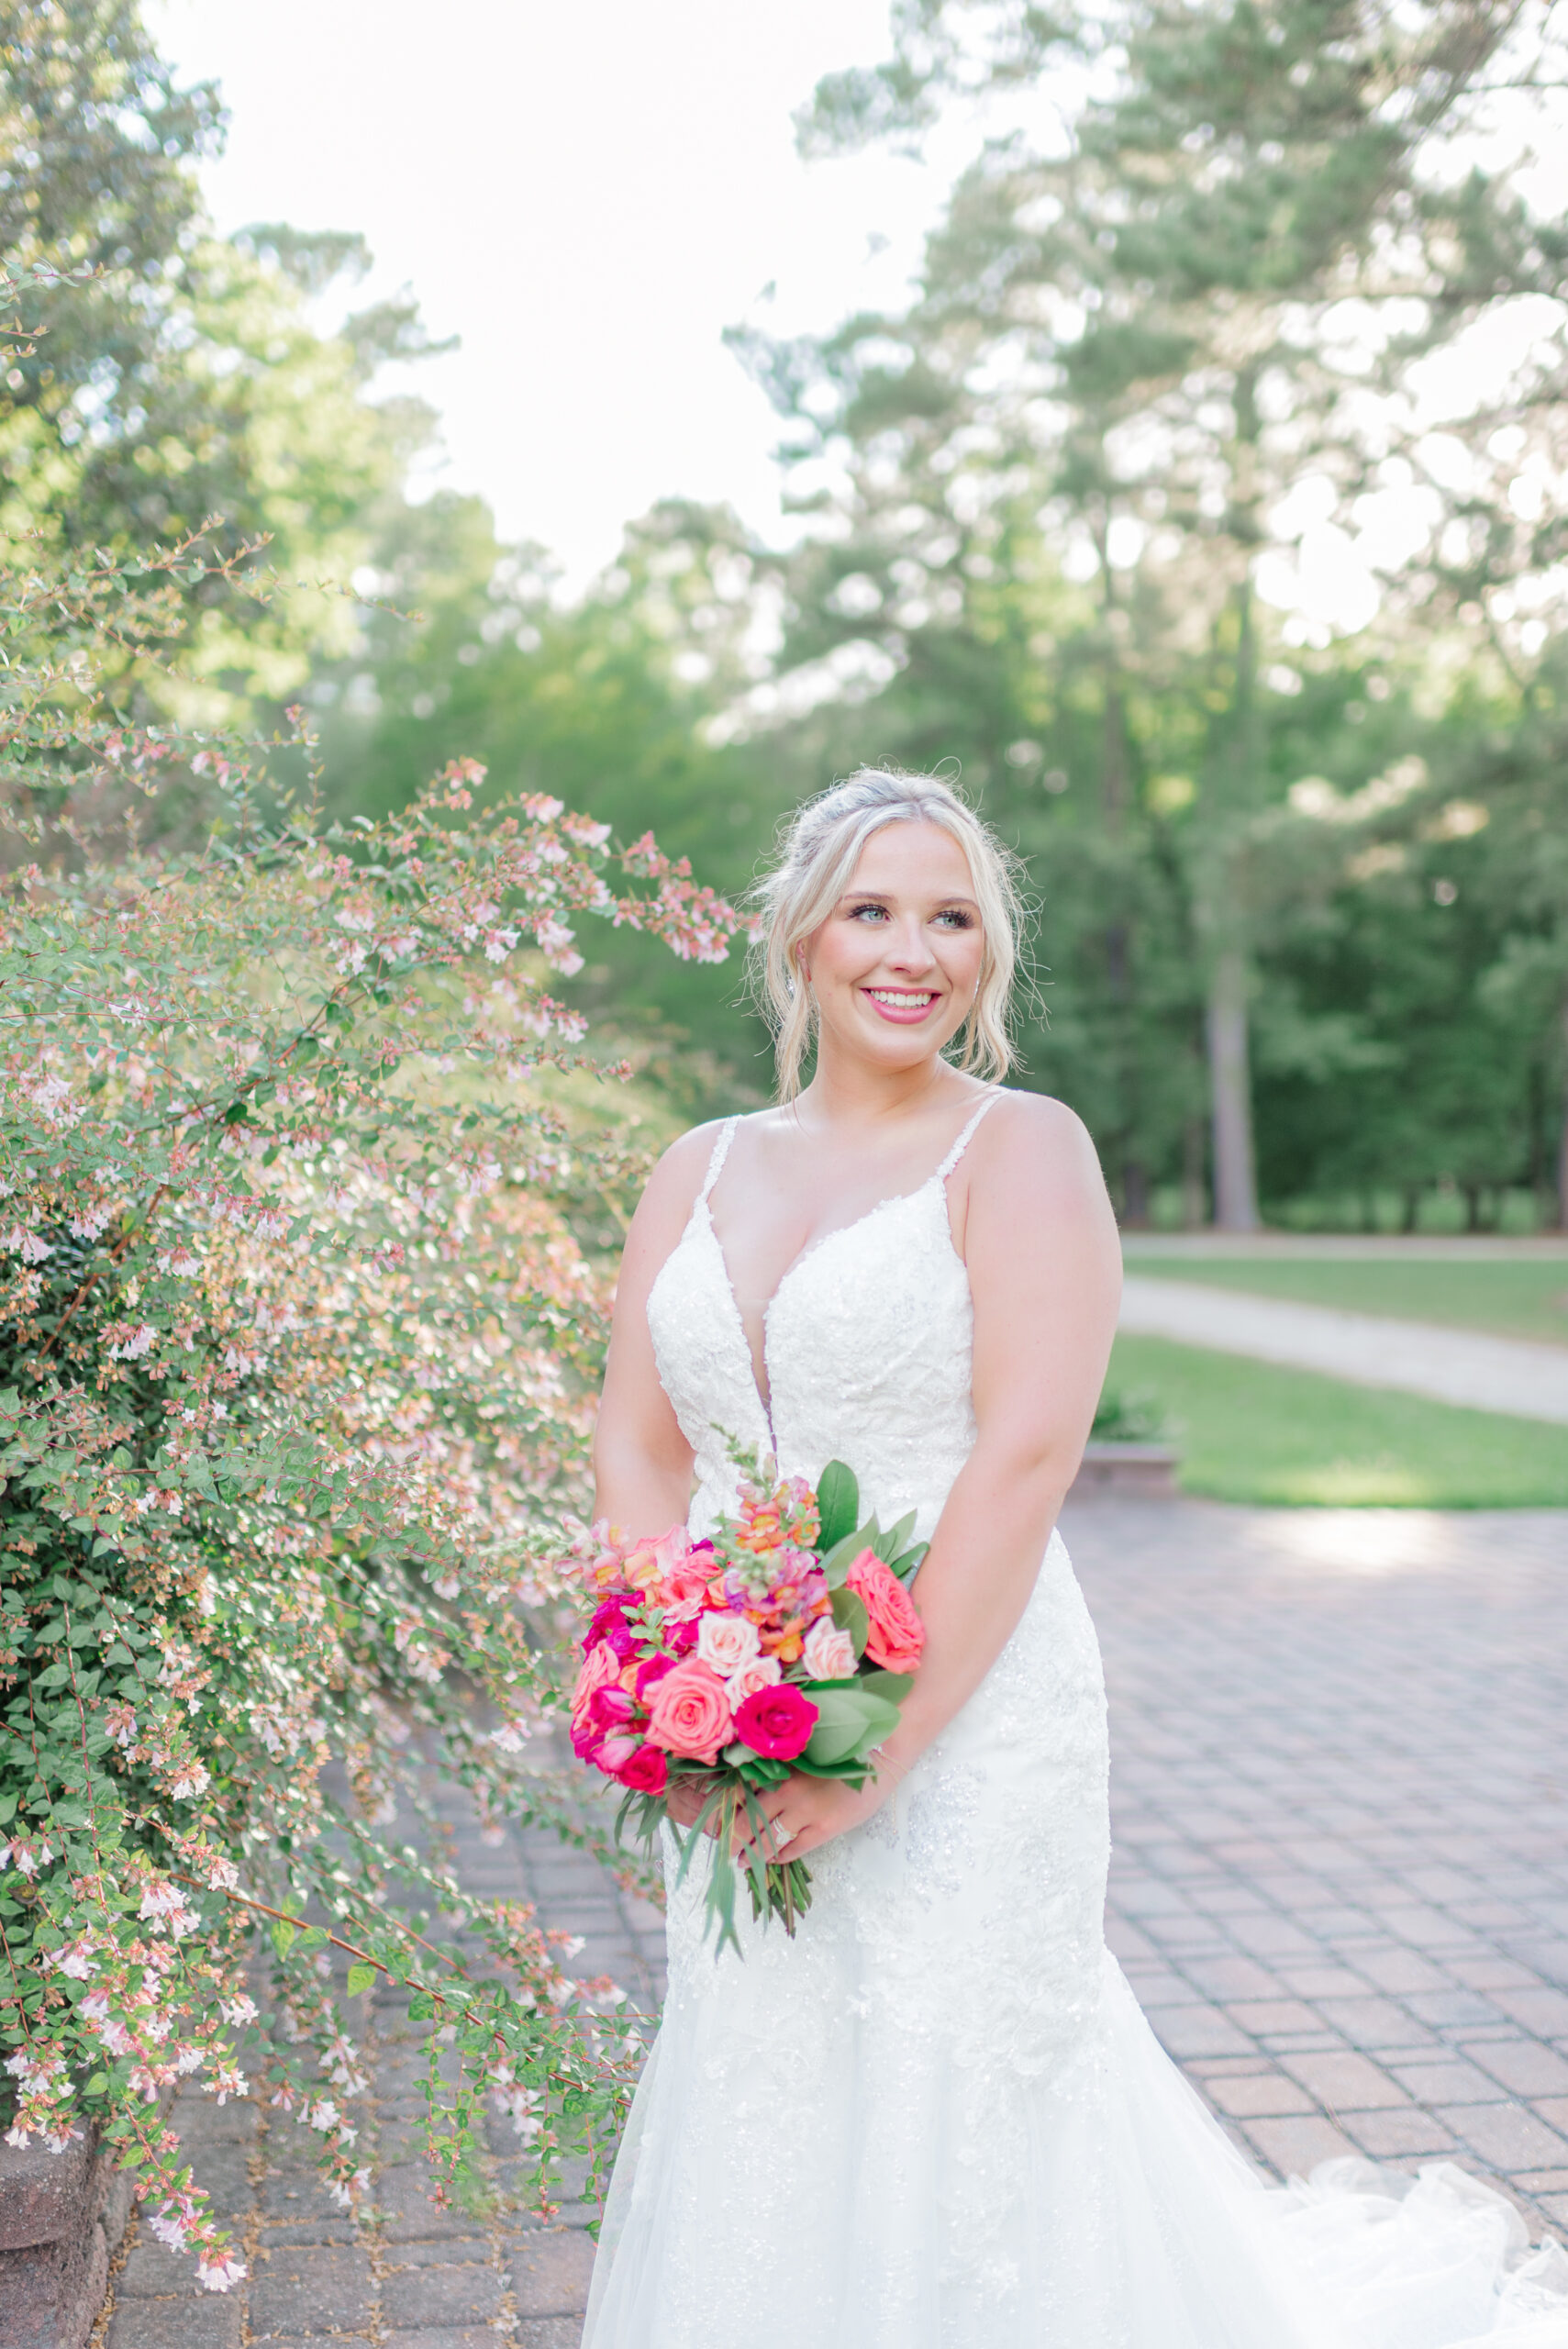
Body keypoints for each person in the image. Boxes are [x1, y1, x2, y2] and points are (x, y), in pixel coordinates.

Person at [582, 769, 1568, 2349]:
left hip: (969, 1704)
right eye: (873, 910)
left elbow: (1025, 1456)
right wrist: (665, 1678)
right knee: (767, 2059)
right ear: (797, 938)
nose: (913, 951)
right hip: (736, 1701)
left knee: (959, 2072)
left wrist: (882, 1749)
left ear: (989, 954)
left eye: (953, 916)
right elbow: (640, 1440)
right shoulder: (694, 1167)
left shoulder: (1017, 1149)